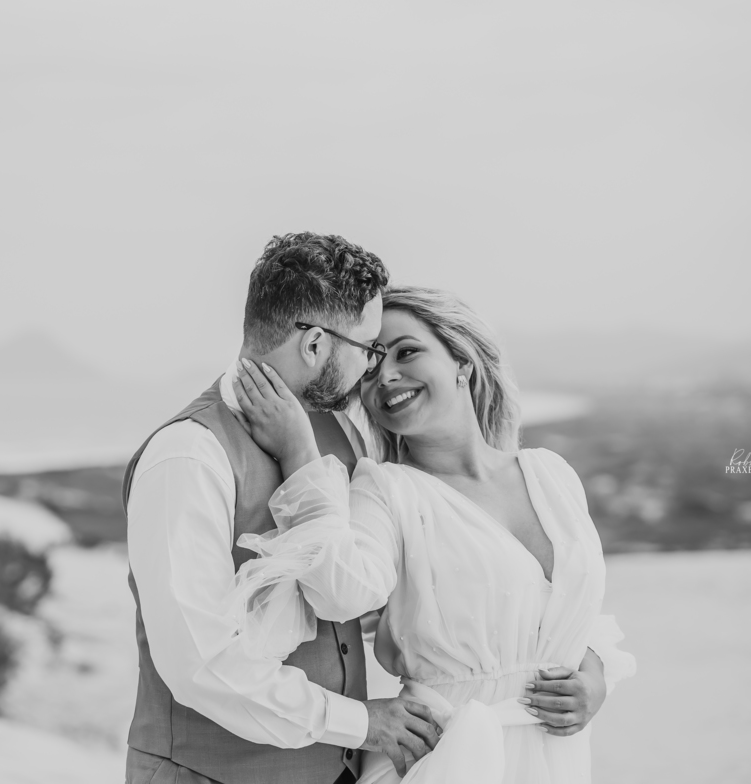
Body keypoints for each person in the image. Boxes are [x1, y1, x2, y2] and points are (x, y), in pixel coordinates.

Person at [228, 285, 636, 784]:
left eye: (407, 352)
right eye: (371, 368)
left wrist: (594, 679)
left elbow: (574, 611)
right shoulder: (386, 491)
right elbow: (340, 594)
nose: (388, 376)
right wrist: (299, 453)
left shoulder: (552, 474)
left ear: (461, 360)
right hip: (444, 757)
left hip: (555, 760)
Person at [122, 234, 442, 784]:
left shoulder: (340, 435)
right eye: (366, 349)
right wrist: (358, 723)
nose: (372, 367)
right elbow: (199, 662)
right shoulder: (187, 457)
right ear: (316, 344)